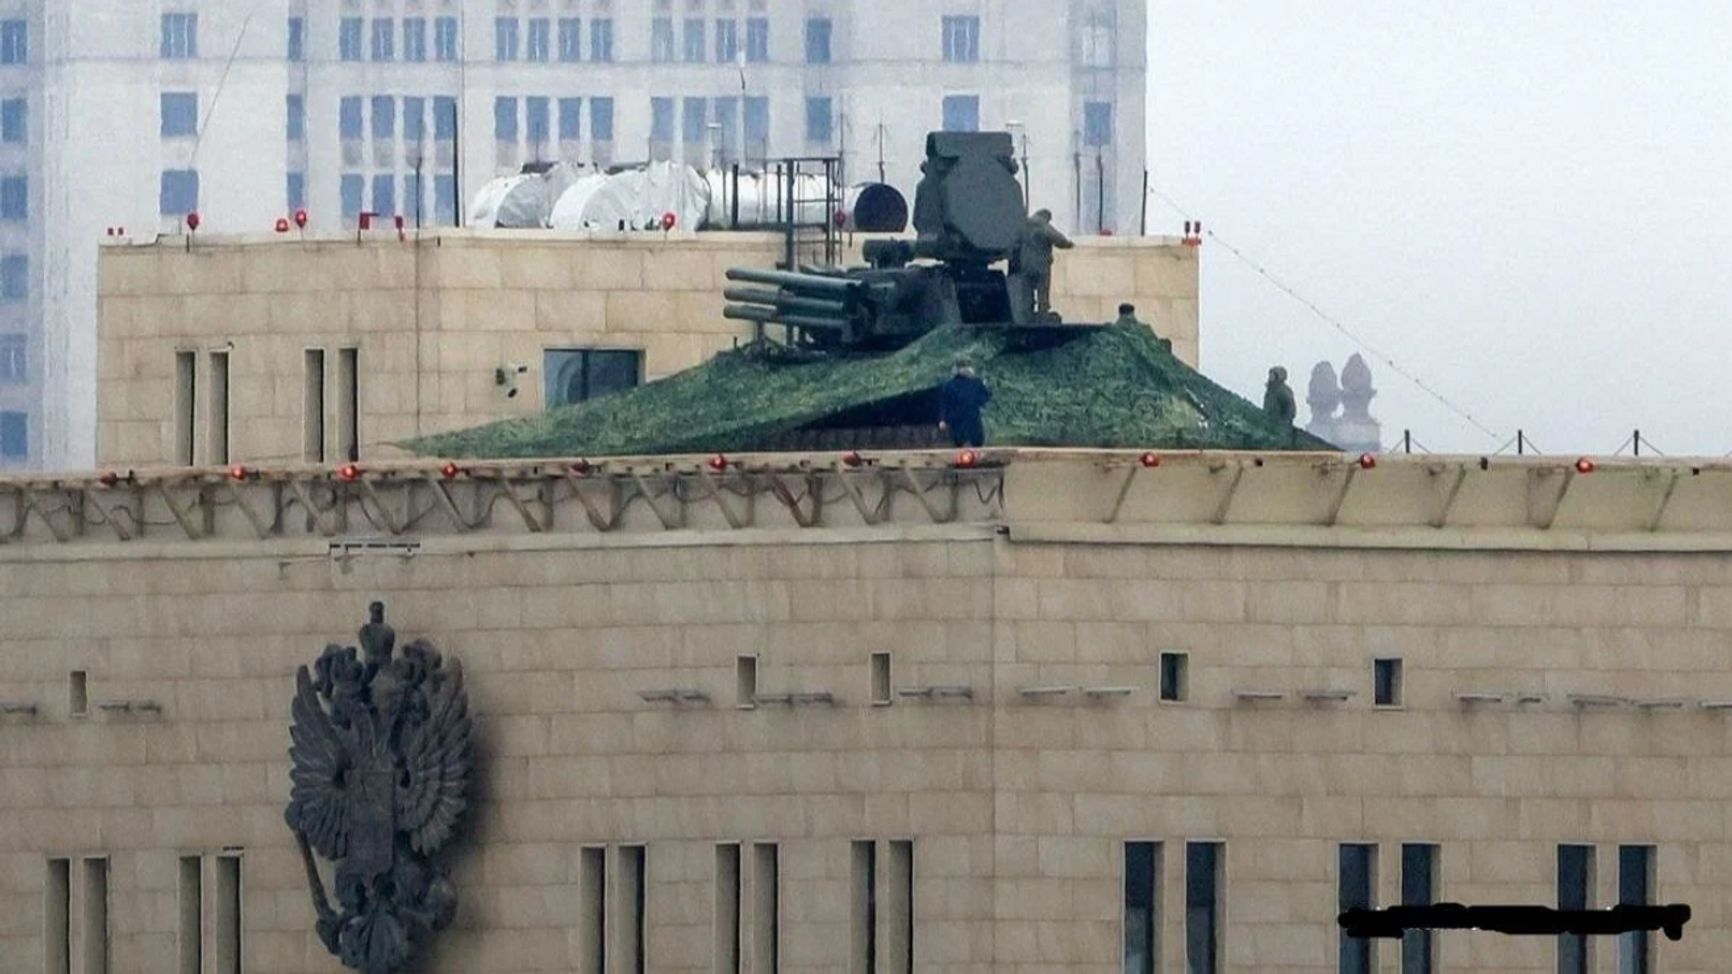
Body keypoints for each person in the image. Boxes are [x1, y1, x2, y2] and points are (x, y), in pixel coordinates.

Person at [1013, 209, 1074, 318]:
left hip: (1025, 265)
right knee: (1043, 292)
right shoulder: (1043, 226)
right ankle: (1042, 314)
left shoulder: (1023, 226)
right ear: (1046, 217)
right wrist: (1069, 244)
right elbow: (1058, 239)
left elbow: (1014, 242)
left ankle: (1027, 314)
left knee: (1027, 292)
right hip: (1041, 266)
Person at [938, 357, 992, 448]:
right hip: (958, 420)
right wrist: (943, 419)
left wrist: (985, 388)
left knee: (975, 442)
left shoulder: (976, 383)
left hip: (972, 419)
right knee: (960, 443)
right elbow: (944, 403)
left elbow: (985, 398)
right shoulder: (949, 385)